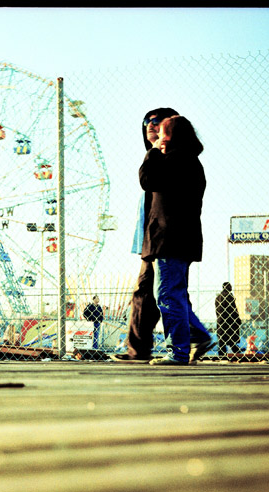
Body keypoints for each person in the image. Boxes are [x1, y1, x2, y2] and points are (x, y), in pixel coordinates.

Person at [139, 115, 214, 365]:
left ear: (169, 136)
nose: (158, 137)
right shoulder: (189, 160)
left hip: (169, 238)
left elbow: (147, 180)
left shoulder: (175, 160)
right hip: (181, 238)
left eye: (161, 132)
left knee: (168, 295)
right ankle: (197, 336)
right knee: (175, 293)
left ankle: (178, 351)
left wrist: (152, 152)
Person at [115, 108, 179, 363]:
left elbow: (148, 182)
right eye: (146, 122)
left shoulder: (169, 158)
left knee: (162, 292)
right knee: (151, 293)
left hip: (162, 238)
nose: (150, 125)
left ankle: (193, 336)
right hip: (151, 239)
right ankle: (138, 348)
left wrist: (153, 151)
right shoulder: (157, 156)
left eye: (157, 121)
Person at [215, 282, 241, 357]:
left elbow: (217, 311)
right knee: (231, 339)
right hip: (230, 321)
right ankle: (237, 352)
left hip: (221, 321)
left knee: (222, 341)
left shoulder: (218, 297)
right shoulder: (229, 296)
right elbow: (233, 309)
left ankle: (222, 355)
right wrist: (237, 319)